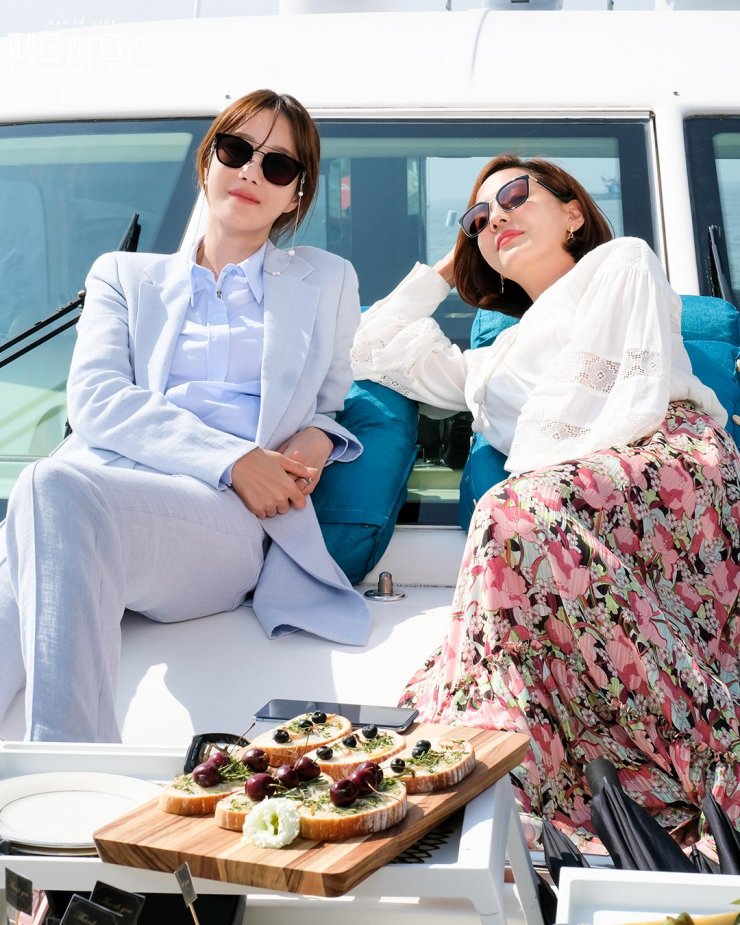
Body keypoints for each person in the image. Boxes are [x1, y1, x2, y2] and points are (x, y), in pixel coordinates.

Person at [352, 155, 740, 845]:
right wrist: (449, 266)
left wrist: (528, 502)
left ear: (573, 213)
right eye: (478, 217)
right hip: (558, 501)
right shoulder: (487, 364)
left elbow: (610, 398)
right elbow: (371, 345)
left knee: (508, 515)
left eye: (514, 196)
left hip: (665, 469)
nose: (495, 217)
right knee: (512, 524)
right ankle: (523, 782)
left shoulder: (621, 262)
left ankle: (715, 761)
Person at [0, 89, 370, 743]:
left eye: (277, 165)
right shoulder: (123, 274)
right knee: (39, 517)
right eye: (236, 149)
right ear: (208, 162)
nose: (251, 171)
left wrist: (320, 435)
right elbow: (95, 397)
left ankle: (69, 767)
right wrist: (233, 458)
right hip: (94, 498)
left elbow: (332, 395)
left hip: (222, 520)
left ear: (296, 195)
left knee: (46, 487)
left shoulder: (327, 280)